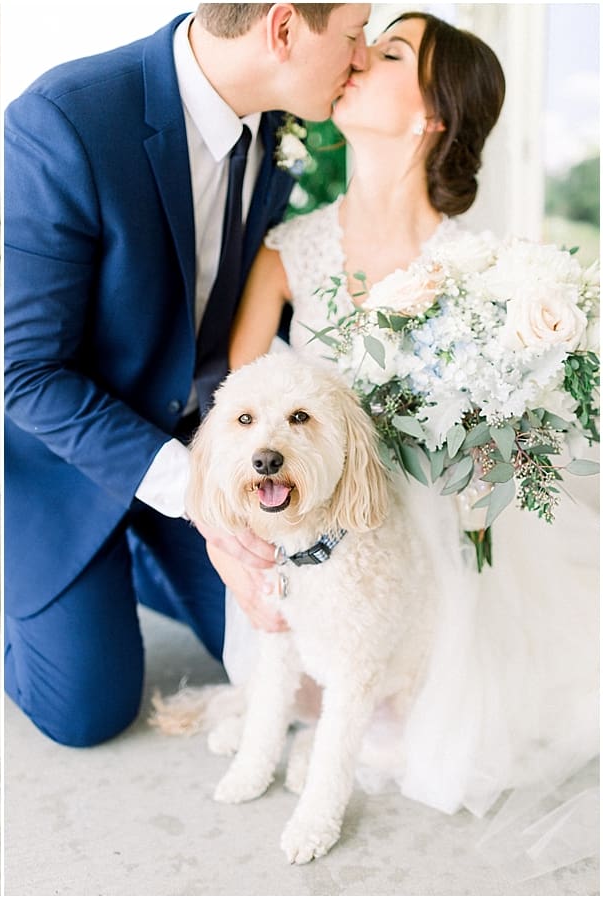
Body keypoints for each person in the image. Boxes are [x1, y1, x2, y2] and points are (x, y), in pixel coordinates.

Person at [224, 12, 598, 869]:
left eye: (389, 52)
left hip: (434, 535)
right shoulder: (288, 250)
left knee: (437, 722)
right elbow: (238, 410)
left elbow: (504, 445)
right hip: (311, 526)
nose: (357, 57)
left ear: (434, 115)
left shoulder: (482, 272)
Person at [3, 2, 370, 747]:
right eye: (356, 34)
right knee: (87, 712)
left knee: (292, 653)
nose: (361, 57)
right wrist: (199, 495)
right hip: (68, 463)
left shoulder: (278, 129)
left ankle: (145, 556)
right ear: (284, 28)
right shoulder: (62, 121)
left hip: (201, 436)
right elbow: (29, 375)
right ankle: (56, 589)